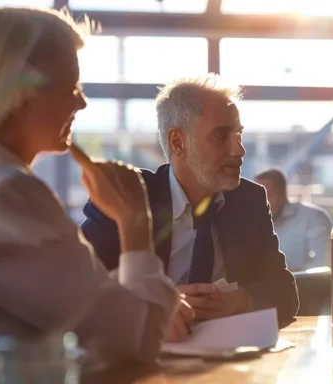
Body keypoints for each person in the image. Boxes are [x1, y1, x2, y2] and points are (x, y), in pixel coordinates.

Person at [0, 6, 177, 363]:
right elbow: (140, 337)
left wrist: (126, 298)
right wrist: (136, 222)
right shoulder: (3, 194)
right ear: (19, 94)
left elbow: (73, 305)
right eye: (71, 87)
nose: (82, 102)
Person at [80, 75, 299, 340]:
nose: (239, 150)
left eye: (238, 134)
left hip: (226, 361)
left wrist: (238, 301)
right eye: (221, 135)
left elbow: (285, 293)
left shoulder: (248, 200)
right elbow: (78, 293)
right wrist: (158, 301)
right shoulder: (128, 196)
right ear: (177, 142)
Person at [254, 169, 333, 272]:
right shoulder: (249, 223)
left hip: (306, 286)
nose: (262, 203)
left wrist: (290, 273)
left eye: (269, 195)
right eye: (257, 197)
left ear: (283, 193)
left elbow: (326, 265)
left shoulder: (313, 217)